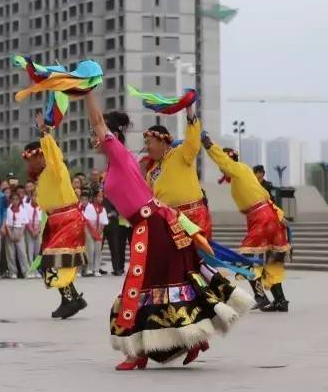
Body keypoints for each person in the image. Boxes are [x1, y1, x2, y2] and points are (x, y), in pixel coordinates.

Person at [84, 93, 254, 370]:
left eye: (96, 133)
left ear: (111, 135)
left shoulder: (117, 151)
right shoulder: (127, 163)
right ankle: (184, 341)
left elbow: (98, 121)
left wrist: (87, 92)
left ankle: (139, 352)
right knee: (158, 284)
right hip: (150, 225)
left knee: (141, 284)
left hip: (152, 226)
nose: (93, 137)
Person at [203, 137, 292, 313]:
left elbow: (222, 160)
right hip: (268, 216)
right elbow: (265, 196)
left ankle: (261, 298)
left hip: (261, 218)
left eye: (223, 165)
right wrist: (279, 216)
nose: (222, 169)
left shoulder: (238, 169)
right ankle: (280, 300)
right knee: (271, 260)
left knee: (246, 259)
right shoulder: (243, 173)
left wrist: (209, 145)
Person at [22, 112, 88, 319]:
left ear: (41, 155)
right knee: (49, 263)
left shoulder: (55, 168)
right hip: (56, 220)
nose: (29, 164)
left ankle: (71, 300)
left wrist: (45, 134)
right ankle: (72, 298)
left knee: (52, 263)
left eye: (32, 158)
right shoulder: (43, 176)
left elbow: (55, 156)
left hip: (67, 218)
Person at [141, 110, 213, 240]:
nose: (146, 147)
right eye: (145, 143)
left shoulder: (181, 153)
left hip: (194, 217)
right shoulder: (151, 173)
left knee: (197, 258)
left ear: (162, 142)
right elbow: (150, 200)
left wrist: (189, 110)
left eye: (148, 142)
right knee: (177, 260)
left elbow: (192, 140)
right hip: (170, 221)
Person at [3, 191, 32, 279]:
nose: (15, 201)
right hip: (10, 230)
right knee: (10, 253)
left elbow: (24, 223)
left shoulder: (22, 210)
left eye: (17, 199)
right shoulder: (8, 210)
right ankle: (13, 272)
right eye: (13, 199)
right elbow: (7, 223)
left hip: (19, 230)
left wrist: (20, 234)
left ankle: (26, 271)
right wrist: (10, 233)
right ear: (11, 200)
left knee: (22, 252)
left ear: (19, 200)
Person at [83, 191, 109, 277]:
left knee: (98, 250)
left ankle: (96, 269)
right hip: (89, 230)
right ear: (94, 198)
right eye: (99, 197)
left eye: (102, 197)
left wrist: (99, 231)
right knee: (90, 249)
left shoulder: (103, 209)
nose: (101, 199)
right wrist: (92, 230)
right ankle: (89, 269)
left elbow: (104, 222)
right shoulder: (89, 207)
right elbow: (86, 219)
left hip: (99, 230)